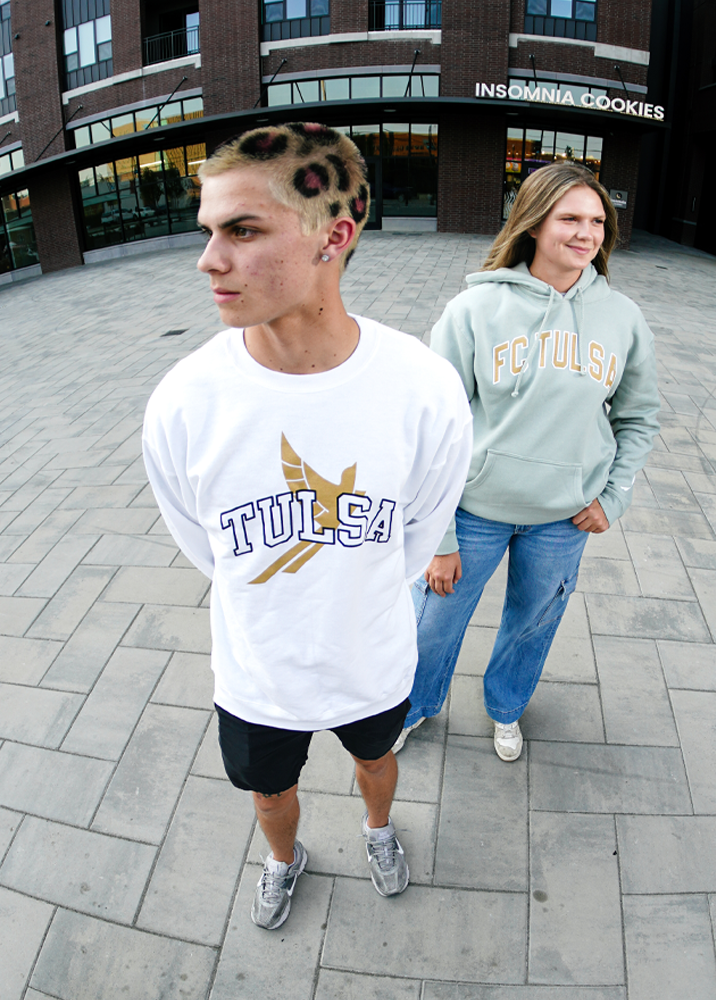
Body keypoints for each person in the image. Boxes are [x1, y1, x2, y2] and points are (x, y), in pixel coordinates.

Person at [142, 122, 472, 929]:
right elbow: (208, 548)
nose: (208, 259)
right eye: (208, 231)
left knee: (376, 760)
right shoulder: (184, 402)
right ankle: (283, 860)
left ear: (335, 235)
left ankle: (378, 830)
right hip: (258, 671)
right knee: (267, 792)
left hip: (371, 657)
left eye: (242, 230)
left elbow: (417, 532)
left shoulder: (422, 388)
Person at [393, 161, 659, 762]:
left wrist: (613, 496)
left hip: (563, 518)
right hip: (472, 512)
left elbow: (639, 416)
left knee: (533, 623)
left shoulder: (622, 318)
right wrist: (436, 535)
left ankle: (506, 708)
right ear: (534, 223)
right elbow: (429, 427)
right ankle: (411, 707)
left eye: (597, 221)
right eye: (570, 218)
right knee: (432, 622)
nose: (586, 233)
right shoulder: (474, 310)